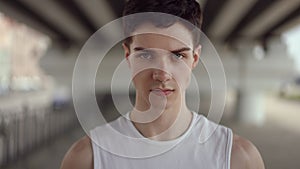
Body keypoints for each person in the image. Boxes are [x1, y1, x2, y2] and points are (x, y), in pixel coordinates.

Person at [61, 0, 265, 168]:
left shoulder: (238, 158)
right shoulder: (86, 158)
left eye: (178, 55)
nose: (162, 74)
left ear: (194, 59)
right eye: (146, 54)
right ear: (127, 55)